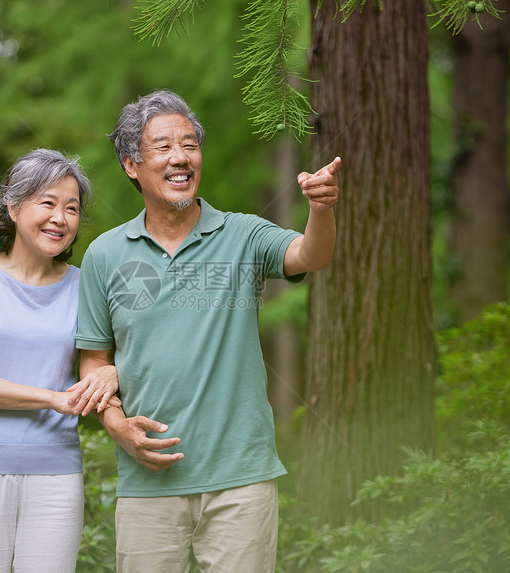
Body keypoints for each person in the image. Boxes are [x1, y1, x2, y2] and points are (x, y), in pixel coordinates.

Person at [76, 90, 341, 572]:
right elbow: (94, 362)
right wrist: (118, 428)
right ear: (131, 164)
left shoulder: (244, 235)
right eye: (163, 146)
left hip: (240, 481)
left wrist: (320, 210)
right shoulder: (104, 255)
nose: (180, 157)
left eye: (190, 144)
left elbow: (311, 255)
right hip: (148, 483)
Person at [0, 148, 120, 572]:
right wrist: (54, 399)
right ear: (14, 206)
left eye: (72, 208)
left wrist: (112, 371)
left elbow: (104, 359)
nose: (61, 218)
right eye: (48, 203)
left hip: (56, 476)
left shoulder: (85, 286)